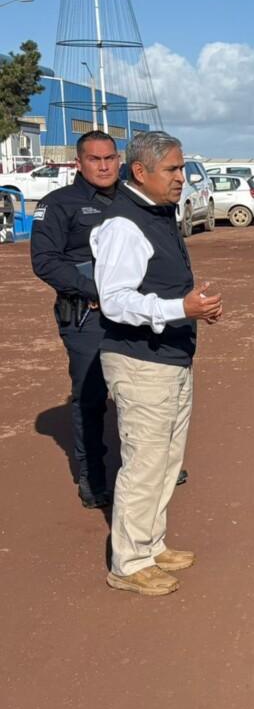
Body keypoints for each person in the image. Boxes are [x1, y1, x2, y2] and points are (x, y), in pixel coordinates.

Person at [90, 132, 224, 596]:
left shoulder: (158, 215)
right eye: (172, 170)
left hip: (171, 358)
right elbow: (115, 301)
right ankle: (128, 563)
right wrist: (178, 310)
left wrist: (193, 306)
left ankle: (151, 544)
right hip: (140, 362)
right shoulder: (124, 224)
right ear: (140, 172)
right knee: (144, 462)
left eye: (182, 168)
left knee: (167, 460)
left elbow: (158, 287)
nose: (181, 178)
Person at [30, 131, 120, 509]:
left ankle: (147, 467)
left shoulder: (133, 201)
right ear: (79, 163)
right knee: (91, 395)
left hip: (135, 313)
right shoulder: (57, 204)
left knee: (143, 392)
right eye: (95, 159)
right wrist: (93, 290)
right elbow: (45, 261)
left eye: (110, 158)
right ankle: (92, 478)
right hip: (88, 315)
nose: (103, 166)